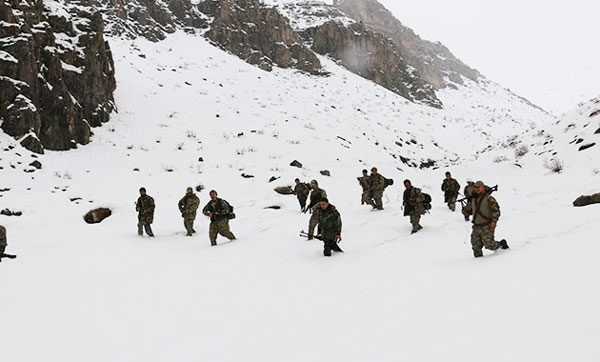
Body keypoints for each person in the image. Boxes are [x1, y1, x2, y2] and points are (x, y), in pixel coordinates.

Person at [462, 181, 509, 257]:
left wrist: (494, 221)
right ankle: (479, 263)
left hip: (487, 225)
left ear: (483, 187)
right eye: (476, 187)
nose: (477, 189)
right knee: (475, 246)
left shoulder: (489, 198)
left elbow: (496, 211)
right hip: (476, 226)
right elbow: (472, 211)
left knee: (489, 244)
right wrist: (465, 212)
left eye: (479, 187)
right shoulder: (473, 199)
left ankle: (501, 245)